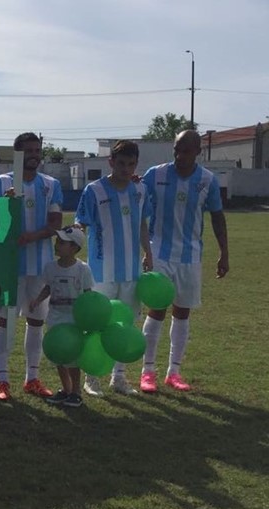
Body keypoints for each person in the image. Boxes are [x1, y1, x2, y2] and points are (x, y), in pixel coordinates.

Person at [139, 130, 229, 392]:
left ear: (198, 152)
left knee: (182, 311)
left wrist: (224, 252)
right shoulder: (155, 174)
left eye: (185, 150)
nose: (179, 155)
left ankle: (174, 372)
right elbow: (136, 199)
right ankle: (148, 372)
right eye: (176, 149)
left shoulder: (207, 180)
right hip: (159, 253)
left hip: (190, 256)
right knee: (157, 309)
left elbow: (217, 216)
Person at [0, 132, 63, 401]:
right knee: (4, 321)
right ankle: (2, 380)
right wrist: (6, 205)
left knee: (36, 322)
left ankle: (32, 378)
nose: (34, 155)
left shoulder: (51, 184)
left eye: (37, 150)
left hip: (40, 266)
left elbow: (55, 223)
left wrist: (30, 237)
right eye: (28, 150)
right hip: (8, 267)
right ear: (18, 153)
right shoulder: (0, 182)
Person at [74, 139, 152, 396]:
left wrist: (147, 253)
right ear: (111, 162)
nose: (126, 169)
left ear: (136, 164)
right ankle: (92, 376)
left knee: (125, 324)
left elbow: (142, 224)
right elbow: (81, 224)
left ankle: (118, 377)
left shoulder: (140, 190)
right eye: (121, 163)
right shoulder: (94, 190)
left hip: (130, 271)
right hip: (101, 270)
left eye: (131, 164)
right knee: (97, 323)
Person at [28, 227, 93, 407]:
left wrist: (90, 315)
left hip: (73, 319)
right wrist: (37, 300)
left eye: (63, 243)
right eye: (57, 241)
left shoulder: (82, 269)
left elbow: (89, 294)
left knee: (73, 357)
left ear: (75, 248)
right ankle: (65, 389)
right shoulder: (50, 267)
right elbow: (48, 287)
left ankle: (76, 392)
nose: (57, 245)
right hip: (55, 316)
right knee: (58, 355)